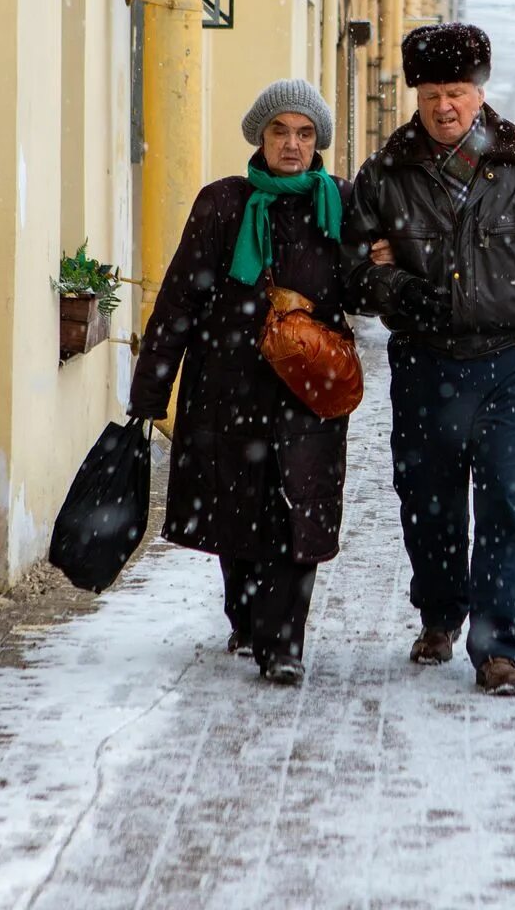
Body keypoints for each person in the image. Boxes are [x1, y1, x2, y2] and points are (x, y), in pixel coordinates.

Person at [351, 23, 515, 698]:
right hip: (425, 363)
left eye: (457, 92)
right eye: (432, 94)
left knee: (504, 504)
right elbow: (352, 271)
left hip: (509, 362)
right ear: (418, 95)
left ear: (479, 91)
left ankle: (496, 647)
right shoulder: (384, 175)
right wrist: (402, 293)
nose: (444, 107)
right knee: (427, 504)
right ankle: (439, 612)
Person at [128, 80, 362, 686]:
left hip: (308, 391)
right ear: (260, 136)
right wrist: (151, 392)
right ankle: (247, 616)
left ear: (319, 143)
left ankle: (284, 643)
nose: (292, 144)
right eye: (281, 131)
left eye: (305, 134)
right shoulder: (224, 204)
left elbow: (361, 291)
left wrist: (380, 270)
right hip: (227, 384)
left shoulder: (338, 203)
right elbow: (179, 301)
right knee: (239, 511)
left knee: (301, 511)